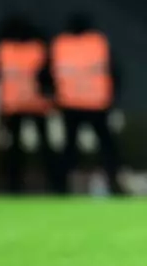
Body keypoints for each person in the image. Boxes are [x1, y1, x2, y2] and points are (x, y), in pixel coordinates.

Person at [48, 13, 125, 195]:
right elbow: (114, 70)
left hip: (70, 103)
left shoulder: (61, 44)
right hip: (96, 102)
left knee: (70, 147)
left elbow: (48, 72)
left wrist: (53, 94)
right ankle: (113, 183)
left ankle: (61, 186)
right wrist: (113, 95)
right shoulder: (97, 43)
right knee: (106, 146)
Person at [0, 16, 59, 194]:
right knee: (44, 147)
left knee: (15, 149)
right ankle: (56, 184)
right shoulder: (38, 49)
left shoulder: (4, 50)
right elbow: (48, 77)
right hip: (37, 103)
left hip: (14, 105)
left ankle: (14, 186)